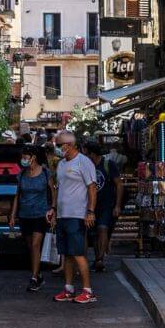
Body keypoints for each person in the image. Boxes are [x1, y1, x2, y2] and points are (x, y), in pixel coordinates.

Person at [47, 130, 98, 304]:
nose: (58, 148)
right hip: (63, 214)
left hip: (77, 214)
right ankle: (68, 289)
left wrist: (90, 211)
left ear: (69, 145)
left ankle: (88, 290)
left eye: (60, 145)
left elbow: (92, 187)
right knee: (66, 254)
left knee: (77, 253)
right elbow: (58, 188)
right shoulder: (61, 164)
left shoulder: (84, 162)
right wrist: (54, 209)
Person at [8, 144, 55, 291]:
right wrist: (13, 215)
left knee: (35, 245)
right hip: (25, 215)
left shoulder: (46, 173)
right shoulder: (21, 174)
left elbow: (53, 193)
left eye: (25, 157)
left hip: (40, 214)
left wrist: (53, 209)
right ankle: (38, 273)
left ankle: (34, 278)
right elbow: (17, 196)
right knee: (30, 246)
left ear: (33, 157)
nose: (23, 159)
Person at [84, 139, 123, 271]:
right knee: (94, 233)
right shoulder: (86, 166)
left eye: (86, 154)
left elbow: (119, 184)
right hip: (91, 205)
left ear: (92, 154)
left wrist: (117, 205)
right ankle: (97, 258)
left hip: (107, 204)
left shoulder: (108, 164)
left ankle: (100, 259)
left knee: (103, 228)